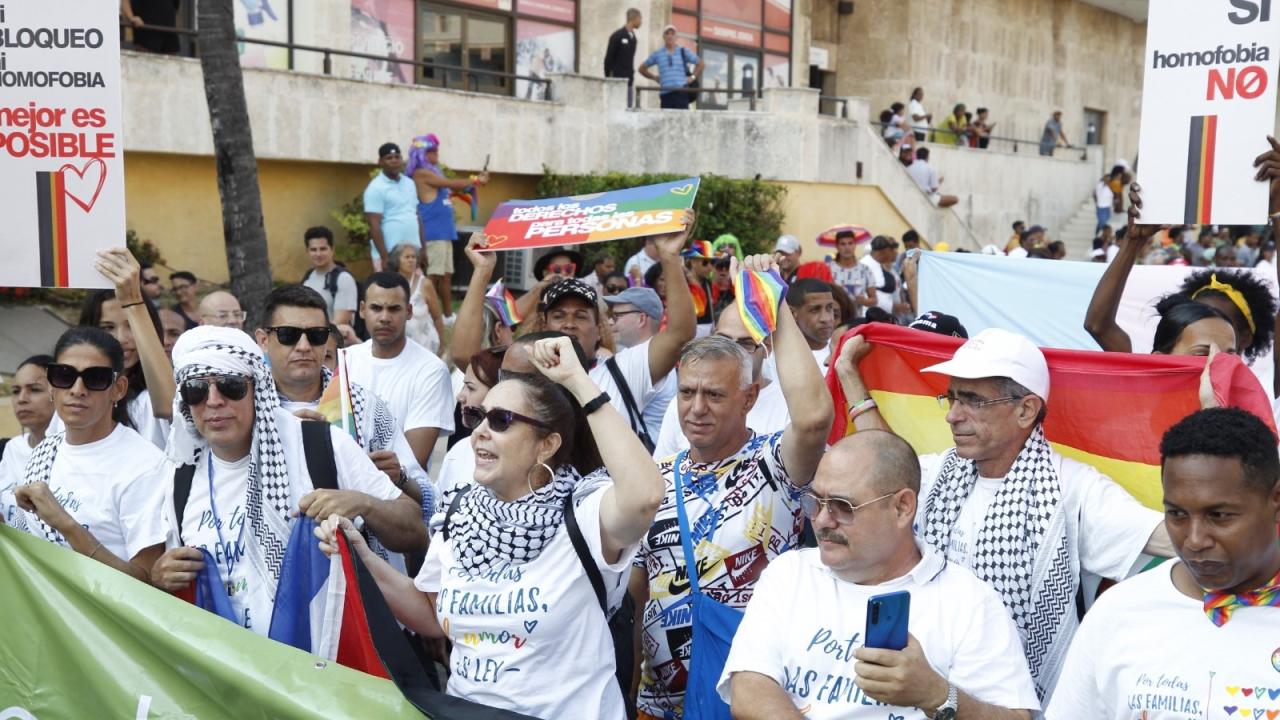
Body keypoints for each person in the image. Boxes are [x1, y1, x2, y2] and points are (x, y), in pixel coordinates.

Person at [317, 336, 665, 720]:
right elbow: (432, 613)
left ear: (546, 445)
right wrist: (361, 555)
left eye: (500, 421)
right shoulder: (461, 512)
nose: (480, 431)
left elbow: (645, 496)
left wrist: (580, 382)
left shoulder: (583, 512)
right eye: (477, 417)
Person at [834, 327, 1174, 699]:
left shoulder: (1073, 491)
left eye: (973, 401)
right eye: (951, 398)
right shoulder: (942, 474)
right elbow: (886, 462)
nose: (953, 416)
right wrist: (849, 376)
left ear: (1026, 409)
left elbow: (1179, 539)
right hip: (923, 691)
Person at [632, 253, 834, 720]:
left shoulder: (774, 463)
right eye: (686, 393)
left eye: (715, 395)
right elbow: (637, 597)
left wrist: (774, 302)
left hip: (749, 702)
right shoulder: (656, 478)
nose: (696, 408)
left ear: (750, 397)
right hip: (659, 705)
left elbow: (814, 417)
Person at [719, 430, 1041, 720]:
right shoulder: (790, 573)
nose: (821, 521)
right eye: (815, 502)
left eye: (843, 506)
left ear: (902, 508)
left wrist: (938, 696)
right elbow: (749, 689)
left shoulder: (968, 600)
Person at [150, 326, 422, 634]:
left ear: (258, 390)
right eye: (196, 389)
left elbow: (414, 530)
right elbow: (171, 581)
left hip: (321, 667)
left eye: (231, 386)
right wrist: (159, 578)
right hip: (222, 667)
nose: (213, 401)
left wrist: (364, 504)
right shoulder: (180, 476)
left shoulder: (319, 445)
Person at [1046, 408, 1280, 719]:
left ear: (1276, 501)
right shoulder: (1118, 613)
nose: (1194, 540)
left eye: (1219, 515)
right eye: (1177, 514)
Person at [256, 284, 433, 535]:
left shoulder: (366, 408)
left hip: (361, 558)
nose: (304, 346)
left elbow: (420, 506)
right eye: (288, 335)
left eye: (316, 335)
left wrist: (397, 478)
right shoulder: (245, 410)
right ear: (263, 340)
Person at [8, 328, 166, 582]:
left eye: (95, 378)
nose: (77, 389)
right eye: (64, 376)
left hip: (97, 618)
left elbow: (146, 582)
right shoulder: (44, 452)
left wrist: (66, 524)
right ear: (51, 385)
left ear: (118, 389)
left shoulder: (145, 466)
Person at [1085, 184, 1276, 368]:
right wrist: (1134, 241)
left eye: (1222, 320)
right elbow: (1098, 326)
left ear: (1244, 338)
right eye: (1202, 352)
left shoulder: (1253, 395)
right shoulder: (1149, 382)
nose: (1206, 320)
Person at [345, 272, 455, 474]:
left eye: (394, 309)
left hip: (400, 498)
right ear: (362, 310)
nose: (385, 317)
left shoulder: (431, 371)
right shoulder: (345, 360)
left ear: (409, 311)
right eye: (376, 308)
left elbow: (412, 462)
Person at [651, 301, 790, 458]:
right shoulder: (683, 405)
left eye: (746, 344)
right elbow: (661, 472)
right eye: (723, 341)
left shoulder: (787, 410)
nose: (731, 352)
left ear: (767, 348)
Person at [79, 248, 176, 451]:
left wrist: (133, 301)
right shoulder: (74, 395)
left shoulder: (153, 399)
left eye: (131, 326)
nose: (121, 339)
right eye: (107, 327)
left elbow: (169, 405)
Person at [407, 133, 489, 323]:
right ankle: (426, 313)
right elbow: (451, 183)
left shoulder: (433, 173)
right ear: (422, 153)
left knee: (446, 276)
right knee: (433, 276)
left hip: (444, 232)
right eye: (433, 150)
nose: (437, 154)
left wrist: (470, 186)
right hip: (433, 233)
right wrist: (475, 179)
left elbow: (453, 189)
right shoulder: (421, 173)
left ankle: (446, 315)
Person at [433, 345, 506, 508]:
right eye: (463, 385)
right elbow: (436, 506)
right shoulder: (460, 449)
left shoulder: (520, 459)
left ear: (499, 392)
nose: (460, 396)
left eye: (470, 388)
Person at [603, 286, 675, 441]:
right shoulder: (641, 357)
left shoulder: (649, 362)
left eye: (616, 316)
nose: (610, 322)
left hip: (648, 457)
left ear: (641, 319)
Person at [0, 355, 56, 526]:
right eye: (16, 391)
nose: (22, 399)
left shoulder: (70, 452)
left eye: (35, 389)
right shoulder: (11, 448)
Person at [362, 142, 420, 271]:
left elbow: (416, 216)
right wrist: (384, 257)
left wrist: (423, 249)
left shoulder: (410, 183)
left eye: (397, 157)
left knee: (416, 289)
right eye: (389, 158)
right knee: (392, 291)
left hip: (412, 253)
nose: (394, 161)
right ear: (380, 162)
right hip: (390, 254)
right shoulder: (375, 188)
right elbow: (374, 224)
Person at [385, 242, 444, 356]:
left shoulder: (425, 284)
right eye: (407, 257)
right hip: (400, 347)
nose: (411, 260)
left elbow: (437, 316)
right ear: (397, 260)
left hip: (426, 344)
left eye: (413, 257)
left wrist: (441, 344)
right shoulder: (391, 283)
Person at [300, 226, 359, 340]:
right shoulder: (308, 278)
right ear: (307, 251)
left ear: (332, 249)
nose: (318, 254)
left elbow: (341, 322)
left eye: (323, 249)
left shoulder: (343, 278)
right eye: (313, 249)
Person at [639, 25, 702, 110]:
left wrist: (692, 77)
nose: (670, 36)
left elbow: (701, 63)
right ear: (663, 36)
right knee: (666, 122)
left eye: (672, 34)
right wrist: (654, 77)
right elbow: (642, 69)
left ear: (676, 37)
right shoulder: (658, 54)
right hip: (665, 95)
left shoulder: (683, 51)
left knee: (681, 121)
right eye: (667, 33)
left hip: (681, 93)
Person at [787, 279, 838, 369]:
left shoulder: (845, 352)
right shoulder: (773, 359)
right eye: (815, 310)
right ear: (792, 313)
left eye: (829, 308)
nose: (826, 319)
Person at [827, 231, 876, 320]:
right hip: (833, 319)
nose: (847, 247)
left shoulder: (865, 269)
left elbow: (874, 300)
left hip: (856, 319)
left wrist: (864, 301)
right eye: (843, 244)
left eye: (850, 243)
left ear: (855, 245)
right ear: (837, 246)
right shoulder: (828, 268)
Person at [605, 8, 643, 106]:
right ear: (634, 18)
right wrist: (609, 78)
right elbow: (608, 59)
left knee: (628, 109)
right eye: (640, 18)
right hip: (616, 81)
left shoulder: (633, 38)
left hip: (628, 81)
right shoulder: (617, 36)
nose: (641, 22)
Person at [860, 235, 901, 317]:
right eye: (890, 251)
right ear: (884, 252)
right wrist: (894, 306)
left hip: (882, 314)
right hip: (868, 315)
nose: (892, 254)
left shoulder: (877, 264)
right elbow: (873, 295)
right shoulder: (866, 265)